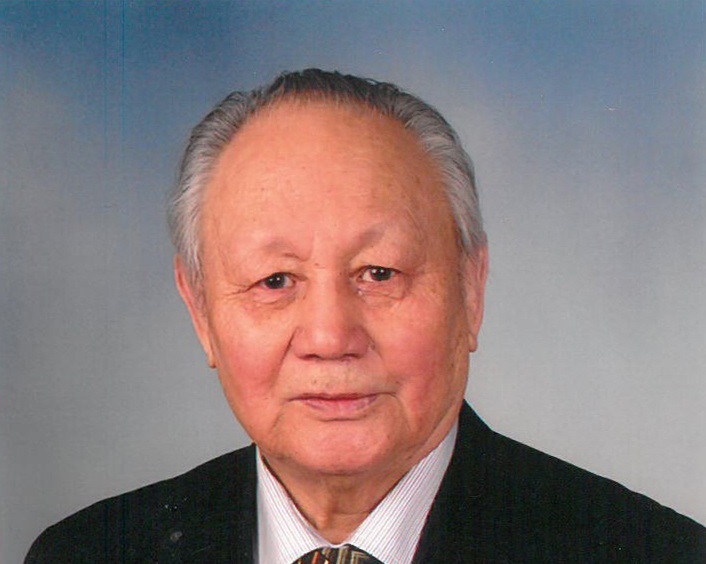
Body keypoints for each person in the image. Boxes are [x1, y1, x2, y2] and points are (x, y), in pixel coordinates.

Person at [26, 69, 705, 563]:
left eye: (379, 274)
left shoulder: (655, 552)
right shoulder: (88, 553)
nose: (330, 338)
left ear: (471, 291)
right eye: (275, 281)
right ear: (200, 310)